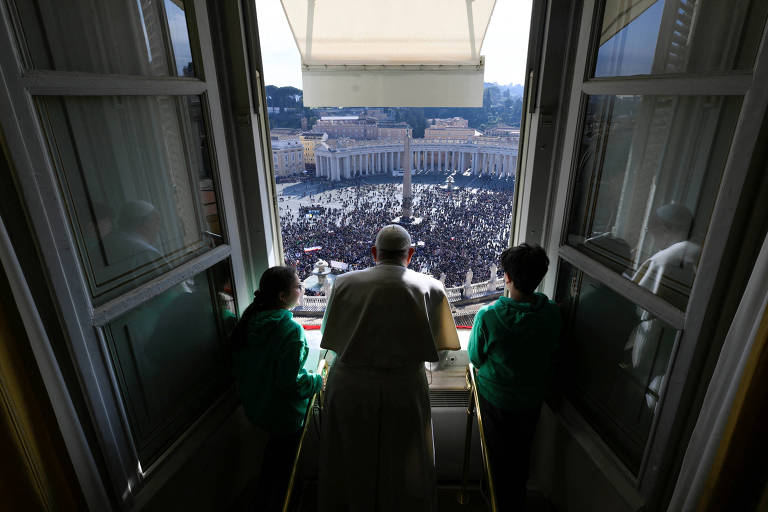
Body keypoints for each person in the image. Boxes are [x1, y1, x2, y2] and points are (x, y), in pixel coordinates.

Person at [318, 224, 460, 512]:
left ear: (374, 253)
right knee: (404, 463)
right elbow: (441, 353)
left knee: (350, 458)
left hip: (349, 386)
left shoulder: (343, 283)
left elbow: (330, 339)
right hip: (403, 387)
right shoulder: (431, 286)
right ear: (410, 254)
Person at [468, 243, 561, 510]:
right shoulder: (552, 313)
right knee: (521, 455)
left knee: (495, 456)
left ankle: (494, 501)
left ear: (506, 277)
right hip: (531, 398)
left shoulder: (488, 316)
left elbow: (475, 357)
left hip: (495, 398)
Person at [231, 266, 322, 511]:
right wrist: (317, 380)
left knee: (272, 462)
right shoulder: (290, 330)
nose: (302, 289)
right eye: (298, 286)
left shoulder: (250, 320)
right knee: (285, 470)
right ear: (283, 296)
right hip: (284, 415)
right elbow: (290, 383)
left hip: (257, 407)